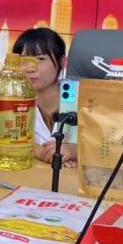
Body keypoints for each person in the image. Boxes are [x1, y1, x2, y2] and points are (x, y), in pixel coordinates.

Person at [12, 27, 76, 166]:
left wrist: (73, 151)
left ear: (62, 62)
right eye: (23, 60)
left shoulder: (83, 98)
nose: (30, 68)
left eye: (40, 59)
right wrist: (40, 152)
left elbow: (108, 144)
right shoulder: (11, 97)